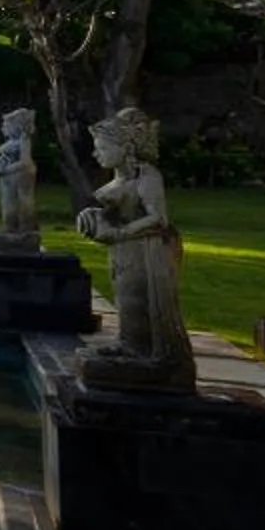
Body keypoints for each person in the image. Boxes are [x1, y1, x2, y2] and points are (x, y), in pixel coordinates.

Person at [75, 107, 193, 392]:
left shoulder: (147, 175)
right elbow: (115, 208)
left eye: (102, 147)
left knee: (142, 296)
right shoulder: (120, 178)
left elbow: (159, 218)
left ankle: (154, 357)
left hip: (147, 249)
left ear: (125, 147)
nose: (96, 154)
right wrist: (92, 217)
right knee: (126, 296)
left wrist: (120, 233)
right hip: (123, 250)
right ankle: (130, 345)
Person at [0, 109, 40, 250]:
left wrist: (6, 169)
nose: (3, 128)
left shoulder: (23, 140)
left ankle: (23, 229)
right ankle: (9, 226)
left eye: (6, 125)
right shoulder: (12, 141)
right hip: (9, 176)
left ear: (17, 126)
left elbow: (26, 161)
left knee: (21, 200)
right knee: (8, 201)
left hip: (21, 175)